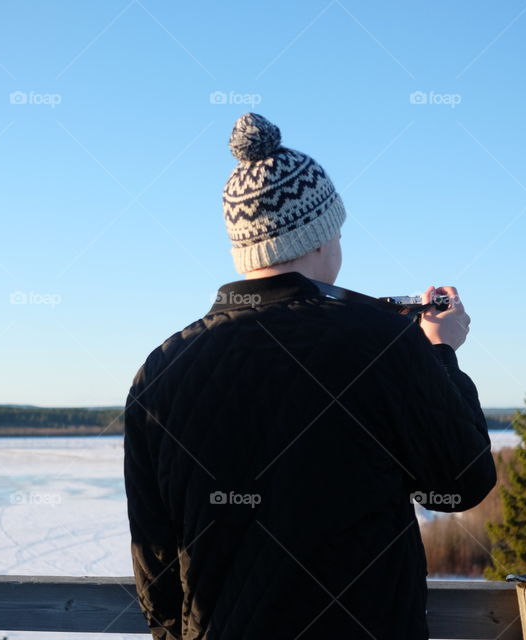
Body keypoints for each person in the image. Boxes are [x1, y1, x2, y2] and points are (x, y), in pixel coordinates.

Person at [124, 112, 496, 639]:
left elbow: (154, 558)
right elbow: (458, 487)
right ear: (321, 236)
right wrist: (439, 354)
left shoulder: (161, 369)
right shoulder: (382, 343)